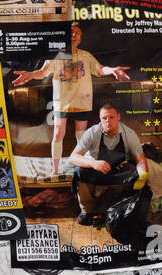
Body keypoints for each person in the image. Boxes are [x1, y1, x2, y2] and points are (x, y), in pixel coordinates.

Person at [11, 23, 130, 173]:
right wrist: (31, 74)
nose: (74, 35)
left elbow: (99, 69)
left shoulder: (85, 55)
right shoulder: (56, 55)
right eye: (71, 32)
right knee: (58, 134)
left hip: (82, 102)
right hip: (62, 103)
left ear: (80, 37)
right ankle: (55, 170)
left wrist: (112, 69)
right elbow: (42, 72)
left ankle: (81, 166)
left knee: (81, 136)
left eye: (77, 33)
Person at [68, 102, 148, 226]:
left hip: (117, 170)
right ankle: (87, 211)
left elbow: (141, 160)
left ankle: (113, 208)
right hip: (96, 169)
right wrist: (93, 163)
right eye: (104, 118)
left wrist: (143, 176)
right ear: (100, 119)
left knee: (134, 173)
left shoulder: (129, 134)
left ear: (118, 117)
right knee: (79, 171)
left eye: (111, 117)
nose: (108, 121)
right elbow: (73, 157)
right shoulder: (92, 132)